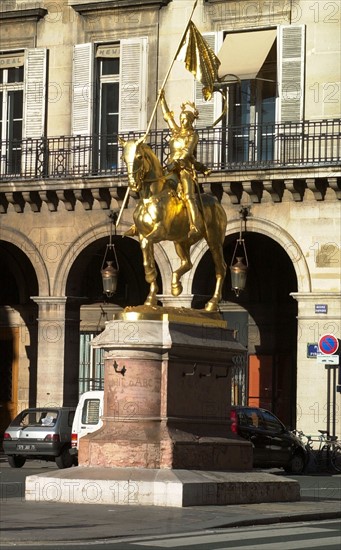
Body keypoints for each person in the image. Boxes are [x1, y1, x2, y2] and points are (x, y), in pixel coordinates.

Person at [159, 90, 209, 238]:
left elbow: (187, 152)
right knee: (156, 189)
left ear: (190, 120)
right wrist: (162, 100)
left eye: (185, 119)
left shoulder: (193, 135)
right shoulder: (176, 132)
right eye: (181, 118)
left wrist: (176, 163)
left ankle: (194, 225)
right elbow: (168, 117)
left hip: (184, 169)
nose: (182, 121)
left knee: (188, 196)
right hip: (171, 168)